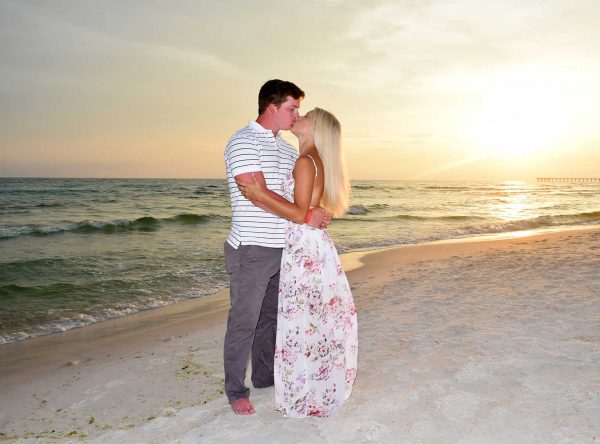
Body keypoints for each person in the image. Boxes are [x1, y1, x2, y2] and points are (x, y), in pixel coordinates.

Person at [237, 107, 358, 417]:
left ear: (315, 127)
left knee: (301, 315)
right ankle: (317, 381)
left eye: (307, 115)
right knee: (312, 314)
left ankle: (306, 388)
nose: (299, 116)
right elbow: (308, 211)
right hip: (313, 246)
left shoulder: (305, 161)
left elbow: (299, 212)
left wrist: (258, 193)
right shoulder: (313, 159)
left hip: (303, 247)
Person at [223, 80, 331, 415]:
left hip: (285, 245)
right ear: (272, 106)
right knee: (245, 319)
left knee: (271, 316)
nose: (296, 114)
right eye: (291, 108)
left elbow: (292, 194)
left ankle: (265, 377)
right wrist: (305, 214)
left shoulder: (287, 149)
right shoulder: (242, 142)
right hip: (252, 247)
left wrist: (309, 210)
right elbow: (259, 197)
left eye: (298, 109)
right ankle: (236, 390)